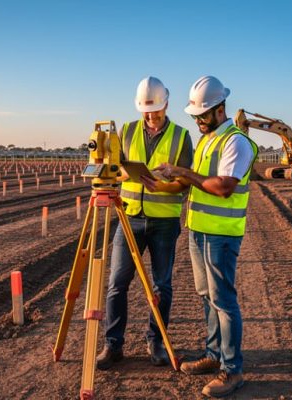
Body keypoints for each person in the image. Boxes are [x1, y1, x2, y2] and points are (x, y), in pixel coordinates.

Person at [155, 76, 258, 398]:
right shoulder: (209, 139)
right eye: (195, 116)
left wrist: (183, 171)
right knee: (206, 296)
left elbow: (223, 187)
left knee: (224, 301)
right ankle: (214, 356)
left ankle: (232, 370)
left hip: (221, 235)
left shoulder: (236, 142)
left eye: (203, 114)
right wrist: (160, 182)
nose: (198, 120)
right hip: (199, 230)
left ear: (220, 109)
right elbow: (196, 184)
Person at [96, 76, 193, 370]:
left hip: (164, 222)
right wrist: (123, 174)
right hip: (130, 218)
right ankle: (113, 345)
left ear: (166, 104)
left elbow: (185, 182)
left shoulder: (181, 136)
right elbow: (114, 171)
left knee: (161, 285)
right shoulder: (126, 132)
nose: (151, 117)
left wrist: (163, 186)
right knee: (117, 283)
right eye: (146, 111)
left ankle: (157, 341)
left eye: (156, 110)